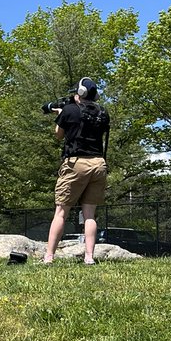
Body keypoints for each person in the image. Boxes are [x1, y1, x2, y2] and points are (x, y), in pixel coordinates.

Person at [43, 77, 110, 265]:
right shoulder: (103, 113)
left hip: (76, 163)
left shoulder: (69, 110)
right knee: (89, 214)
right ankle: (89, 257)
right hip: (98, 163)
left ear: (80, 93)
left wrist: (61, 115)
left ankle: (49, 256)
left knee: (61, 211)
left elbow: (58, 135)